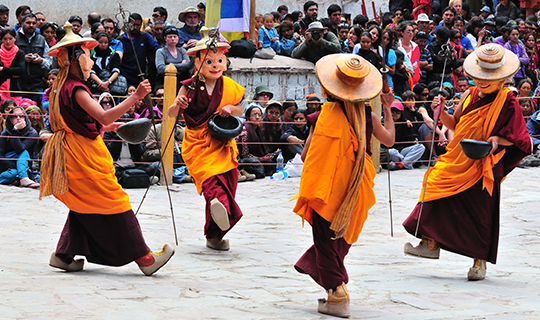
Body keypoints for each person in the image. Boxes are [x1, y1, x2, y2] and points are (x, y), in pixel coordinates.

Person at [40, 23, 174, 275]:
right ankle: (145, 259)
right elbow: (100, 116)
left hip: (73, 148)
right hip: (81, 154)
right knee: (114, 200)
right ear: (73, 61)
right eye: (85, 56)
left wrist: (108, 127)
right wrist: (135, 97)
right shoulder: (76, 88)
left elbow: (81, 121)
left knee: (85, 202)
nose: (89, 62)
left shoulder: (59, 84)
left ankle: (63, 255)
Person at [402, 43, 532, 281]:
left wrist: (497, 140)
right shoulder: (468, 94)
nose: (483, 82)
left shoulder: (508, 100)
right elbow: (455, 124)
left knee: (479, 211)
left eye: (489, 78)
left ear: (502, 78)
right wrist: (440, 112)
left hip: (483, 162)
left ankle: (479, 262)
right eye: (480, 76)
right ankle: (430, 242)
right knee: (434, 184)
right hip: (458, 156)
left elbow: (522, 140)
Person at [293, 53, 395, 318]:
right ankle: (330, 288)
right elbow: (390, 141)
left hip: (325, 188)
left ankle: (337, 294)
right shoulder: (368, 115)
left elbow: (305, 156)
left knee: (325, 241)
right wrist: (387, 107)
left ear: (328, 88)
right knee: (336, 241)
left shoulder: (321, 116)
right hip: (356, 188)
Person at [168, 27, 245, 251]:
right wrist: (177, 105)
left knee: (228, 182)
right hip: (198, 143)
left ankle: (214, 237)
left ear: (226, 61)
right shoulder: (189, 86)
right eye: (209, 61)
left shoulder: (229, 85)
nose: (215, 66)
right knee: (211, 180)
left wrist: (231, 108)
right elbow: (172, 113)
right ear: (198, 62)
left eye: (220, 60)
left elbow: (240, 108)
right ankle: (216, 203)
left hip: (223, 143)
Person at [0, 106, 39, 188]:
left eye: (21, 116)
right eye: (14, 116)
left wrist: (15, 131)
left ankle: (23, 178)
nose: (18, 118)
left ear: (25, 118)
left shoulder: (32, 133)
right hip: (7, 163)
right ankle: (22, 177)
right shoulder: (5, 133)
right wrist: (15, 130)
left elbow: (20, 148)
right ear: (10, 120)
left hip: (23, 162)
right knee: (12, 173)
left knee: (23, 152)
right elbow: (0, 155)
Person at [0, 28, 24, 101]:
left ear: (15, 38)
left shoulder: (20, 53)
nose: (8, 41)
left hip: (15, 89)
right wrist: (12, 74)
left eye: (10, 39)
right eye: (5, 39)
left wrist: (3, 69)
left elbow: (21, 70)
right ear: (1, 40)